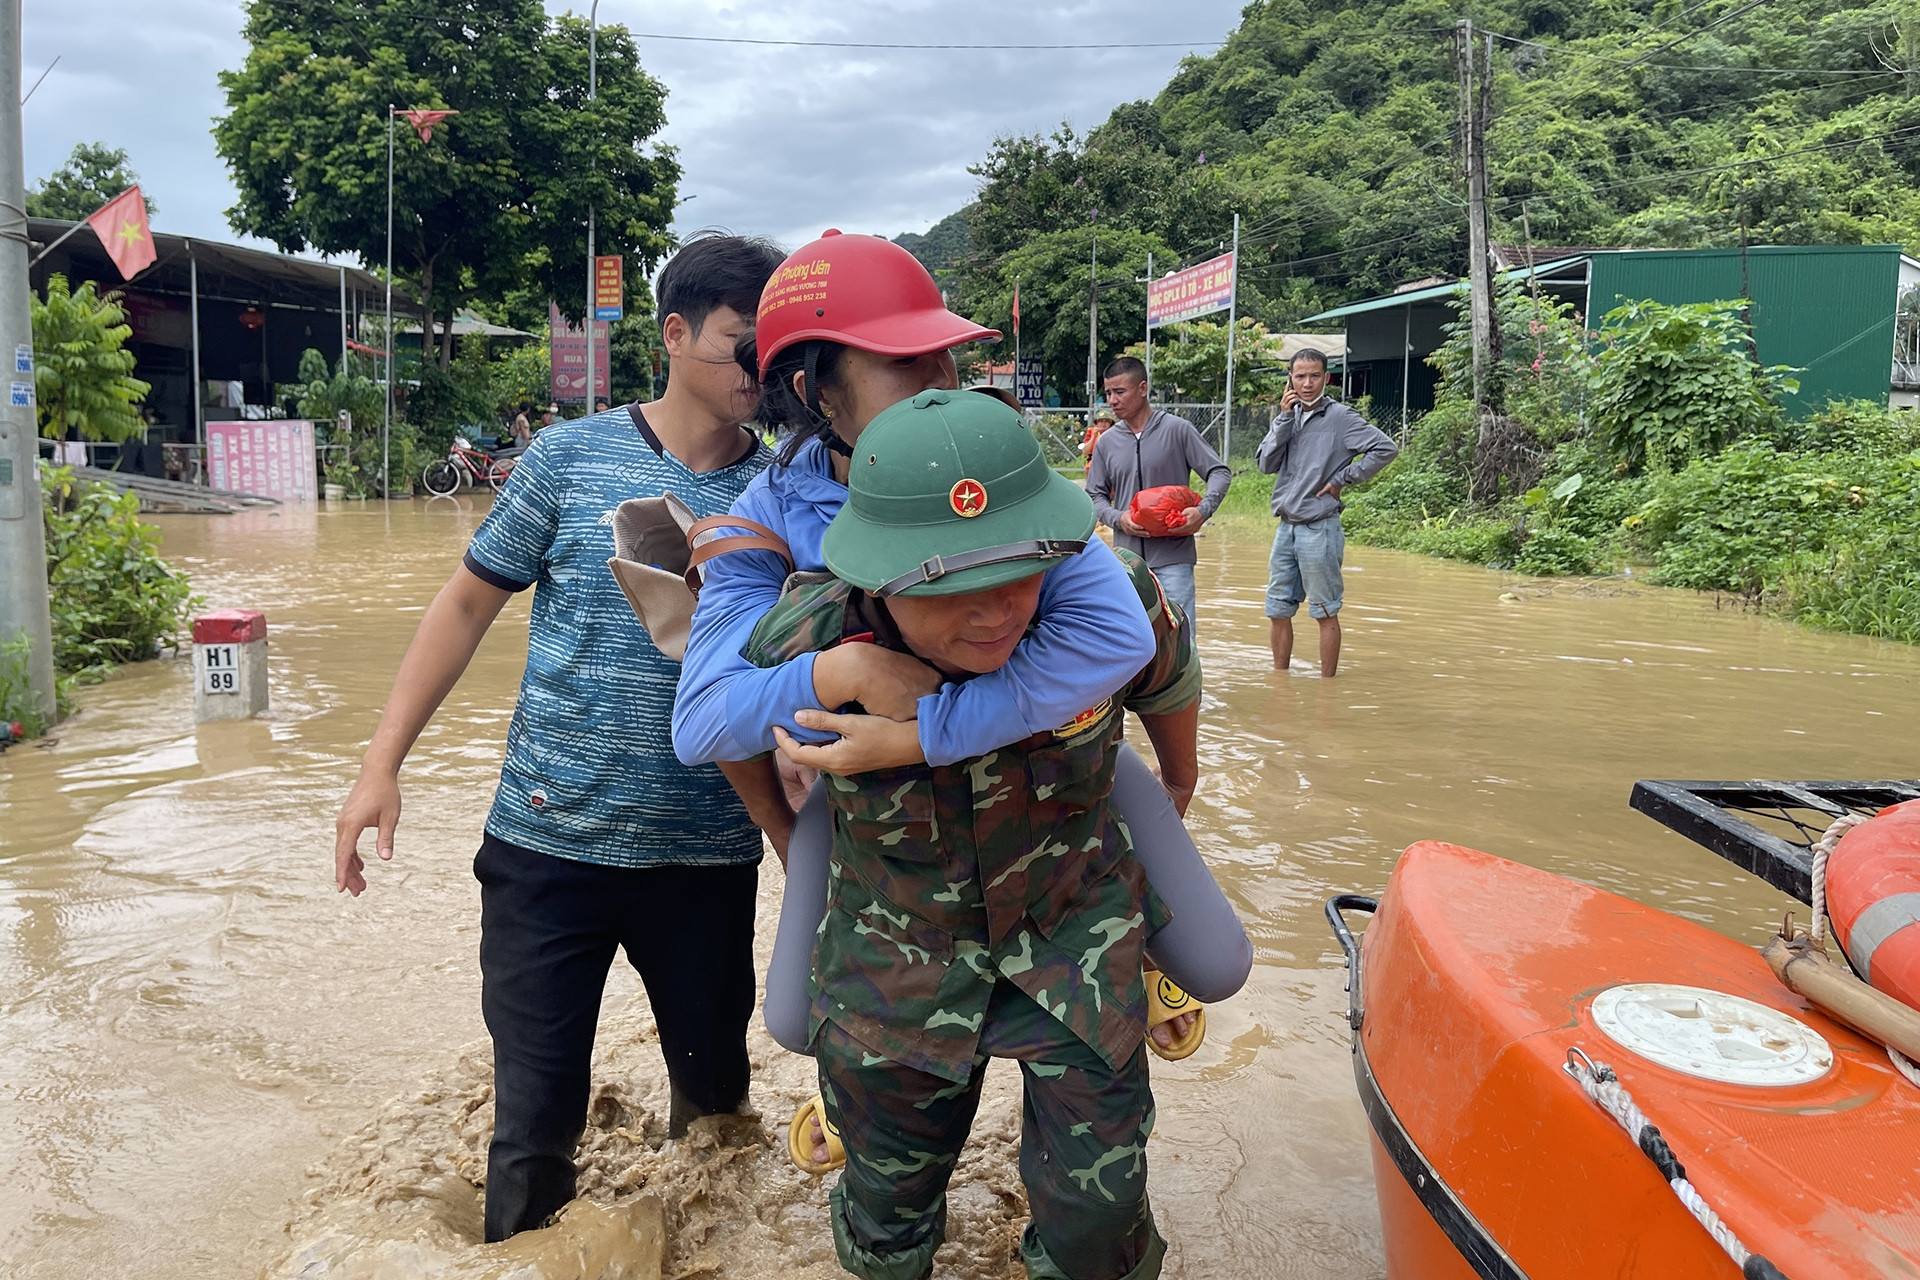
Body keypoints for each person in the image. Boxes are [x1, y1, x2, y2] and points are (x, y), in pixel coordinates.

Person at [330, 231, 788, 1243]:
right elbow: (462, 607)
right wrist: (380, 764)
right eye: (738, 344)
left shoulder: (788, 492)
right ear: (673, 333)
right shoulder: (566, 458)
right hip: (547, 853)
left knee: (716, 1118)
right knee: (532, 1132)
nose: (760, 371)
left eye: (775, 350)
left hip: (707, 858)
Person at [753, 389, 1200, 1280]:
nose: (998, 612)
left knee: (1099, 1226)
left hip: (1076, 936)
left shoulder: (1110, 602)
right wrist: (784, 827)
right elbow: (719, 726)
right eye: (955, 589)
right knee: (887, 1229)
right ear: (878, 575)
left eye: (1022, 575)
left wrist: (1174, 799)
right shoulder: (811, 635)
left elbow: (1168, 693)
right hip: (895, 966)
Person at [1254, 348, 1400, 677]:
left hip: (1320, 528)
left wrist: (1341, 480)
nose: (1307, 383)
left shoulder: (1341, 418)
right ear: (1290, 378)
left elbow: (1386, 448)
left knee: (1324, 611)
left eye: (1314, 376)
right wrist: (1283, 419)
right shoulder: (1287, 416)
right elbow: (1264, 464)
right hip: (1286, 527)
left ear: (1326, 378)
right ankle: (1280, 680)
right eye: (1300, 376)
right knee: (1277, 609)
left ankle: (1327, 687)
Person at [1084, 357, 1232, 630]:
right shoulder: (1107, 443)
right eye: (1108, 393)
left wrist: (1202, 511)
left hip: (1174, 559)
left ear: (1142, 388)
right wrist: (1119, 519)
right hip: (1127, 562)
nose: (1112, 400)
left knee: (1181, 638)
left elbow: (1219, 472)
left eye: (1120, 391)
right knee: (1131, 637)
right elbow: (1094, 496)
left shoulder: (1178, 430)